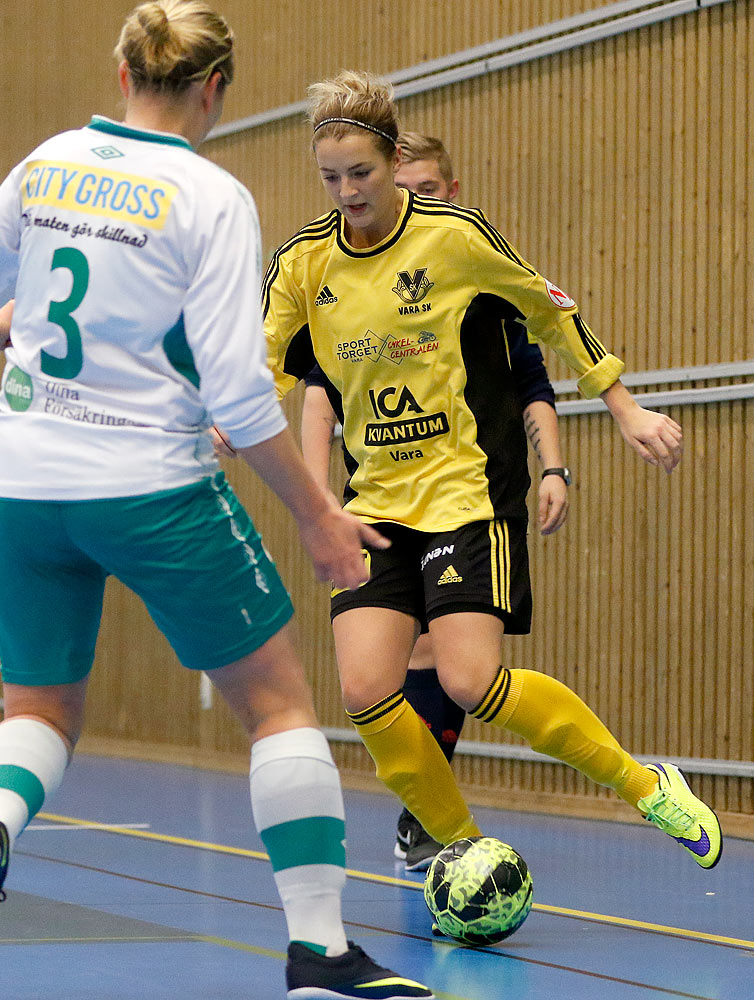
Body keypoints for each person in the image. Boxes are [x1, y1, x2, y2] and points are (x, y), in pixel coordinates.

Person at [0, 9, 431, 999]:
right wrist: (319, 515)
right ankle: (320, 952)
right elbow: (240, 395)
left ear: (121, 73)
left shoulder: (45, 166)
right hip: (150, 484)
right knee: (278, 703)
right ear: (215, 89)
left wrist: (3, 332)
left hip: (25, 485)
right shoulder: (211, 196)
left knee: (39, 708)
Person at [263, 71, 723, 880]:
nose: (347, 193)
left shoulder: (453, 236)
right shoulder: (303, 264)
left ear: (390, 155)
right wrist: (246, 445)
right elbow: (263, 370)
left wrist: (624, 407)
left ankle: (643, 783)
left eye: (361, 174)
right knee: (366, 690)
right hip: (374, 506)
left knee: (470, 679)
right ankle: (462, 850)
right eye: (330, 178)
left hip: (461, 496)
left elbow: (549, 307)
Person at [299, 131, 570, 870]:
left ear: (447, 193)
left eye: (421, 188)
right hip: (384, 493)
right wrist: (317, 495)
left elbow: (534, 385)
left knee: (458, 665)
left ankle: (433, 811)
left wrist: (555, 470)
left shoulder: (479, 281)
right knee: (387, 666)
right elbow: (320, 385)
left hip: (473, 488)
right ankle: (432, 813)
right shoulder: (347, 282)